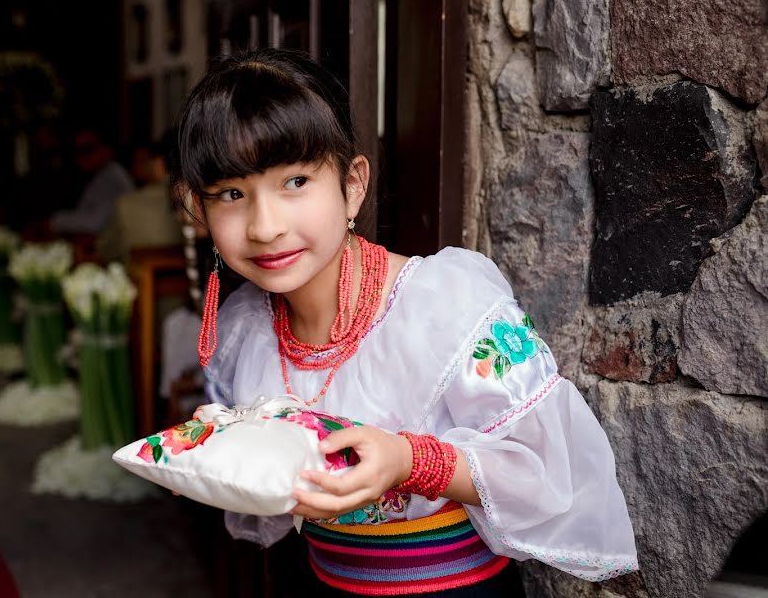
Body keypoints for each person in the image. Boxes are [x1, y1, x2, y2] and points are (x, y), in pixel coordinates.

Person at [174, 49, 638, 596]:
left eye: (295, 182)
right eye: (232, 194)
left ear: (352, 185)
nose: (265, 226)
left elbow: (551, 473)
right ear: (197, 210)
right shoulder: (242, 330)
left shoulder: (445, 306)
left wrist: (409, 460)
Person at [97, 131, 185, 265]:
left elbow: (106, 251)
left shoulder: (127, 204)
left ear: (158, 162)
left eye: (144, 160)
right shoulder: (203, 201)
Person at [49, 128, 134, 235]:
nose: (82, 156)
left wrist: (54, 221)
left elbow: (94, 224)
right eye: (77, 150)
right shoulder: (99, 176)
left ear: (107, 150)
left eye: (88, 149)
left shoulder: (113, 178)